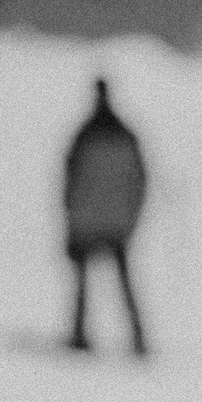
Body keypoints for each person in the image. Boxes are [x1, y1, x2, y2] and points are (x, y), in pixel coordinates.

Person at [63, 76, 149, 355]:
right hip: (118, 223)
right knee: (124, 283)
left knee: (83, 283)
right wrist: (132, 217)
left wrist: (71, 218)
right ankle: (138, 338)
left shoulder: (84, 135)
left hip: (87, 221)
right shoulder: (127, 135)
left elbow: (71, 181)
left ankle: (79, 336)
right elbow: (139, 181)